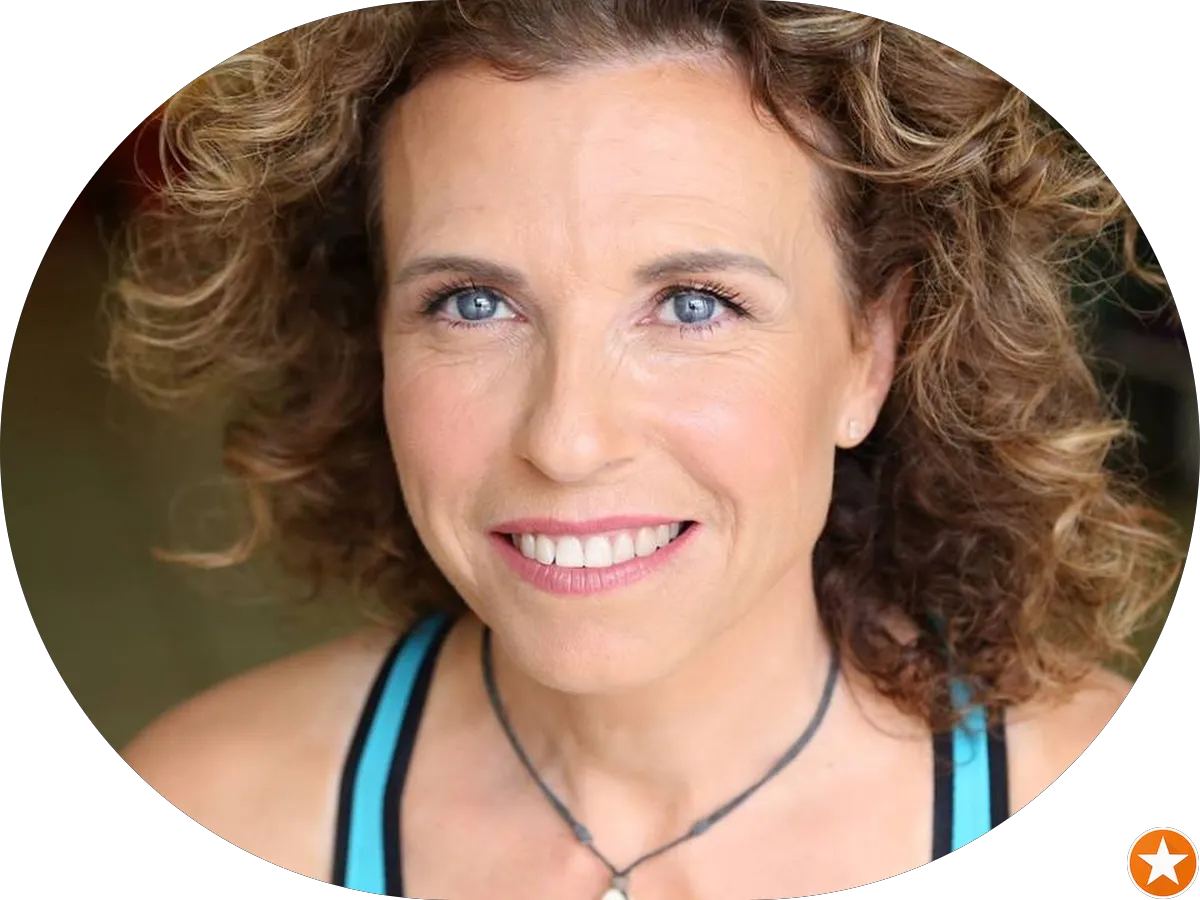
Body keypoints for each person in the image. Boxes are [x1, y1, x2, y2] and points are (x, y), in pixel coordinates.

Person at [111, 3, 1185, 898]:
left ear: (869, 352)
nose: (568, 440)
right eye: (473, 302)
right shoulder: (226, 807)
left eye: (693, 303)